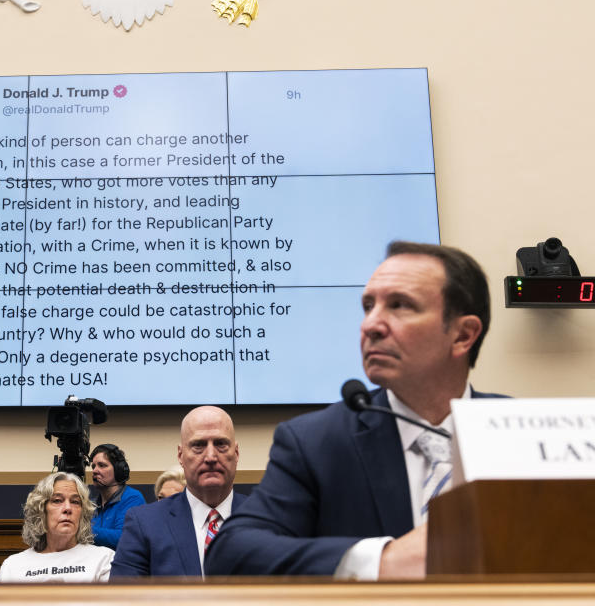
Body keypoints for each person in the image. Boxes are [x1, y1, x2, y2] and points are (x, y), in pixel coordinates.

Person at [206, 241, 505, 580]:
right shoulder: (317, 442)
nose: (371, 325)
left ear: (463, 335)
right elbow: (232, 555)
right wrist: (380, 562)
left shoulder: (520, 432)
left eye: (400, 305)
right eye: (368, 306)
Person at [111, 406, 246, 576]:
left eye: (221, 444)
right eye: (198, 445)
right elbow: (124, 599)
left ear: (236, 453)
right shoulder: (144, 524)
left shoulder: (270, 521)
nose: (211, 457)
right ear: (181, 456)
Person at [0, 472, 114, 582]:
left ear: (82, 513)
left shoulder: (103, 559)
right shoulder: (13, 566)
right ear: (42, 510)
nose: (68, 508)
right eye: (57, 501)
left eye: (75, 502)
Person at [88, 443, 144, 550]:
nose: (95, 471)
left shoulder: (133, 498)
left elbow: (124, 537)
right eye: (93, 466)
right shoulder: (92, 504)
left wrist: (82, 531)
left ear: (118, 470)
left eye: (102, 465)